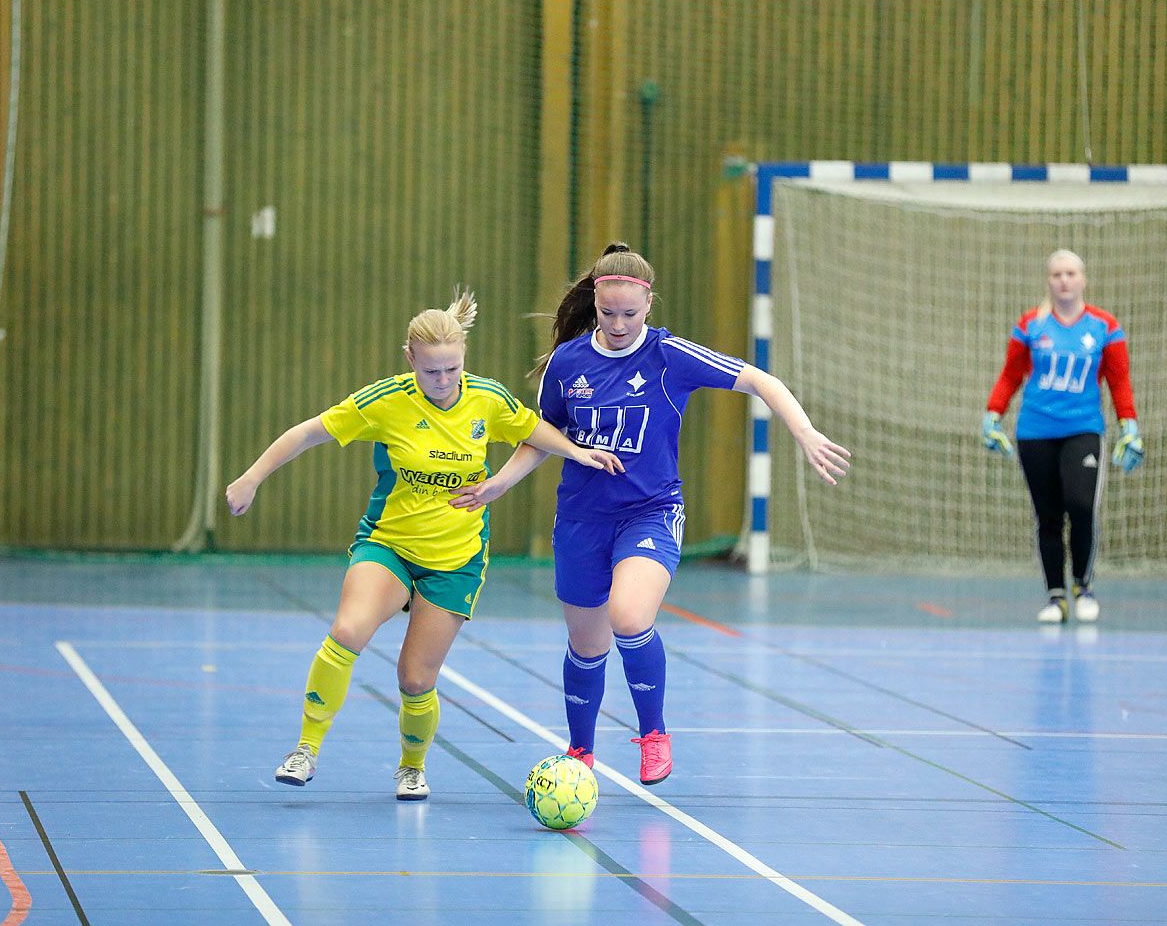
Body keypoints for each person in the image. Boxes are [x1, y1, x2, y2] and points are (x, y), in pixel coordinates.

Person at [449, 243, 850, 785]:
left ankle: (654, 733)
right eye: (608, 312)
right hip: (581, 520)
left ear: (649, 305)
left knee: (630, 618)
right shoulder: (567, 363)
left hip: (651, 512)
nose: (618, 324)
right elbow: (542, 436)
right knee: (586, 646)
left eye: (630, 314)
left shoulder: (669, 356)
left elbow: (761, 380)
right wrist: (498, 484)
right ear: (595, 301)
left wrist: (804, 433)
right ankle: (580, 754)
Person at [226, 289, 622, 801]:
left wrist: (577, 452)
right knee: (347, 630)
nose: (444, 381)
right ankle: (305, 748)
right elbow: (307, 433)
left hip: (454, 562)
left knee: (415, 679)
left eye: (453, 369)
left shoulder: (486, 399)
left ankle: (411, 767)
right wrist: (252, 477)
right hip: (388, 545)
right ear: (410, 358)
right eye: (432, 370)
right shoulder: (385, 401)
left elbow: (534, 430)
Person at [982, 248, 1144, 624]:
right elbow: (1010, 376)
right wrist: (992, 417)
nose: (1064, 280)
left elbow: (1120, 382)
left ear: (1083, 279)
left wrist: (1130, 427)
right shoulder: (1030, 326)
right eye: (1057, 275)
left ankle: (1082, 586)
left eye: (1071, 273)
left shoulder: (1104, 326)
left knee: (1082, 506)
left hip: (1083, 430)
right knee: (1048, 516)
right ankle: (1056, 598)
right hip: (1035, 431)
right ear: (1048, 281)